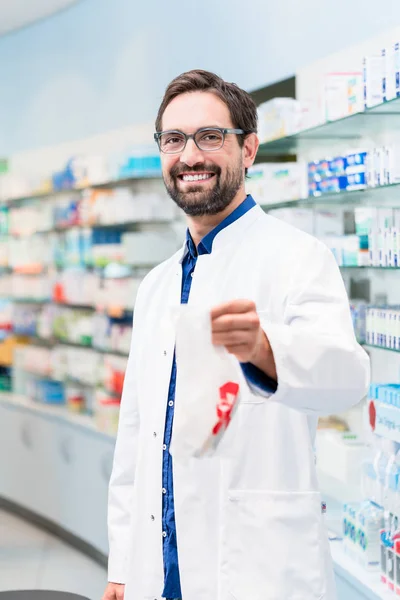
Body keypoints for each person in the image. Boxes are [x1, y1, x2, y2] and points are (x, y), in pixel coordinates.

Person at [103, 69, 370, 600]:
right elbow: (137, 436)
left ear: (248, 149)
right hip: (161, 568)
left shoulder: (298, 258)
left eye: (210, 137)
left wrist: (266, 350)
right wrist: (122, 563)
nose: (190, 156)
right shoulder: (156, 286)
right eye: (174, 139)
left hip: (256, 567)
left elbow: (349, 378)